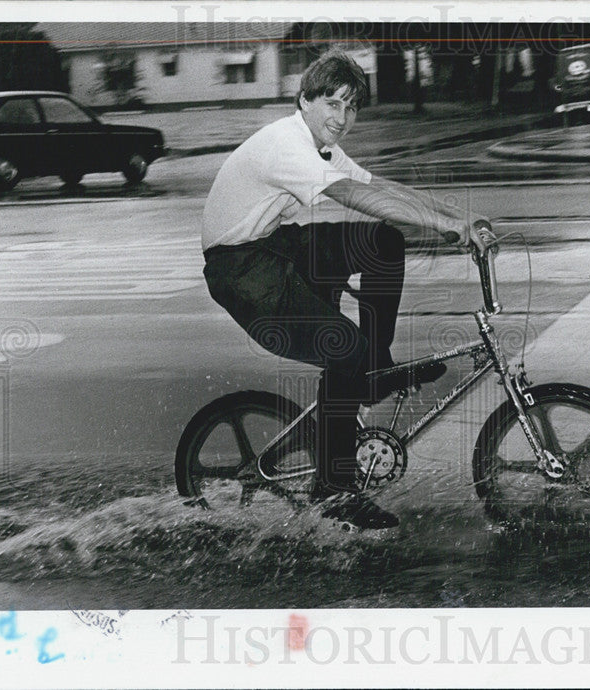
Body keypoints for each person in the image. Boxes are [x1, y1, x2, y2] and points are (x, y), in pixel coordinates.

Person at [202, 49, 487, 529]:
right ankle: (334, 490)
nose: (342, 117)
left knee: (382, 241)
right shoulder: (286, 145)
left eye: (352, 106)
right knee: (343, 349)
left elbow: (381, 187)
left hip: (276, 248)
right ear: (305, 101)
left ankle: (375, 364)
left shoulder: (321, 146)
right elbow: (353, 195)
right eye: (332, 103)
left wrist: (460, 217)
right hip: (243, 271)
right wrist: (443, 228)